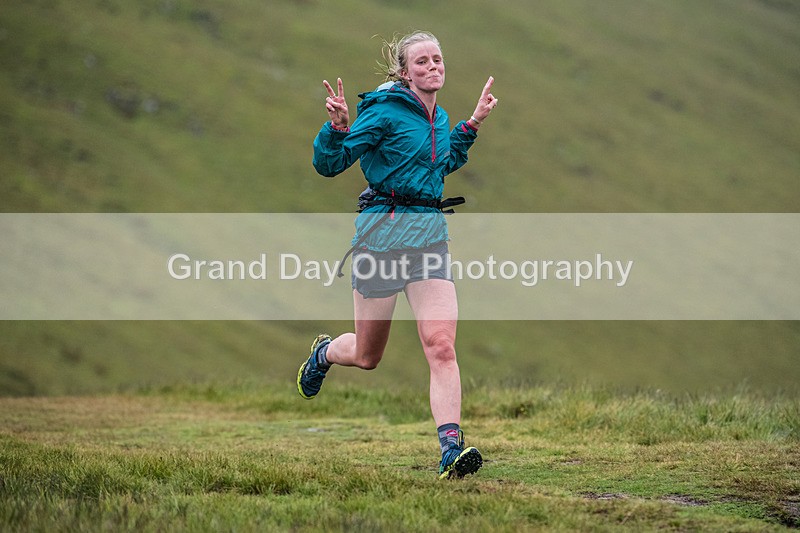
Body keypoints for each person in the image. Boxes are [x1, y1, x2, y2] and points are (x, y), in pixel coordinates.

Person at [297, 30, 497, 479]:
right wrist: (336, 128)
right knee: (368, 357)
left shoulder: (438, 117)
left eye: (438, 59)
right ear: (405, 72)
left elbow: (439, 165)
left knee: (441, 345)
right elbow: (330, 164)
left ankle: (451, 449)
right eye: (422, 61)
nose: (433, 66)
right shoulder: (383, 112)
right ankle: (326, 352)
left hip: (429, 238)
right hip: (381, 238)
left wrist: (472, 125)